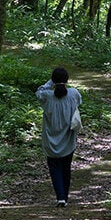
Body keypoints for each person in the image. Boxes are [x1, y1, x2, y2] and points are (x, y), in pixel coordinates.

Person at [35, 67, 82, 207]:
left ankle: (60, 197)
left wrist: (51, 82)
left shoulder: (47, 96)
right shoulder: (73, 93)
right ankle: (65, 197)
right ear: (67, 80)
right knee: (66, 167)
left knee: (54, 167)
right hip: (68, 137)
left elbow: (38, 91)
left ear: (53, 80)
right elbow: (79, 102)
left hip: (50, 138)